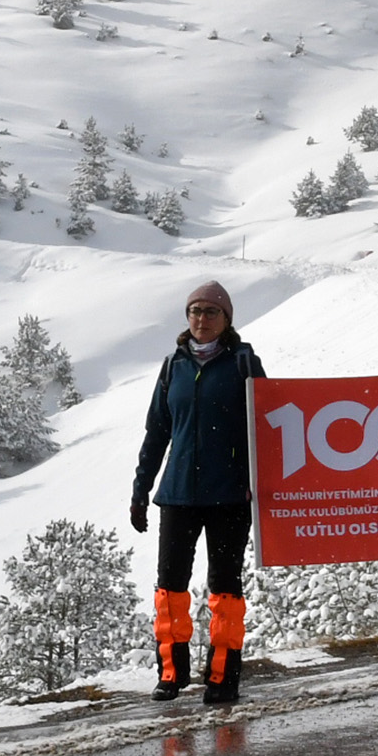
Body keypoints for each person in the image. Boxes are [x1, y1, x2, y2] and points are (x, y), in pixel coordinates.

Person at [131, 279, 267, 704]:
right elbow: (157, 431)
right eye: (194, 311)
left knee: (224, 587)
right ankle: (171, 675)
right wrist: (140, 490)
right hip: (177, 495)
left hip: (230, 495)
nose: (201, 319)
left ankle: (223, 676)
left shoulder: (244, 363)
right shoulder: (174, 366)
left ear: (227, 320)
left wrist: (264, 488)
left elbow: (268, 425)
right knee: (170, 587)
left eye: (211, 312)